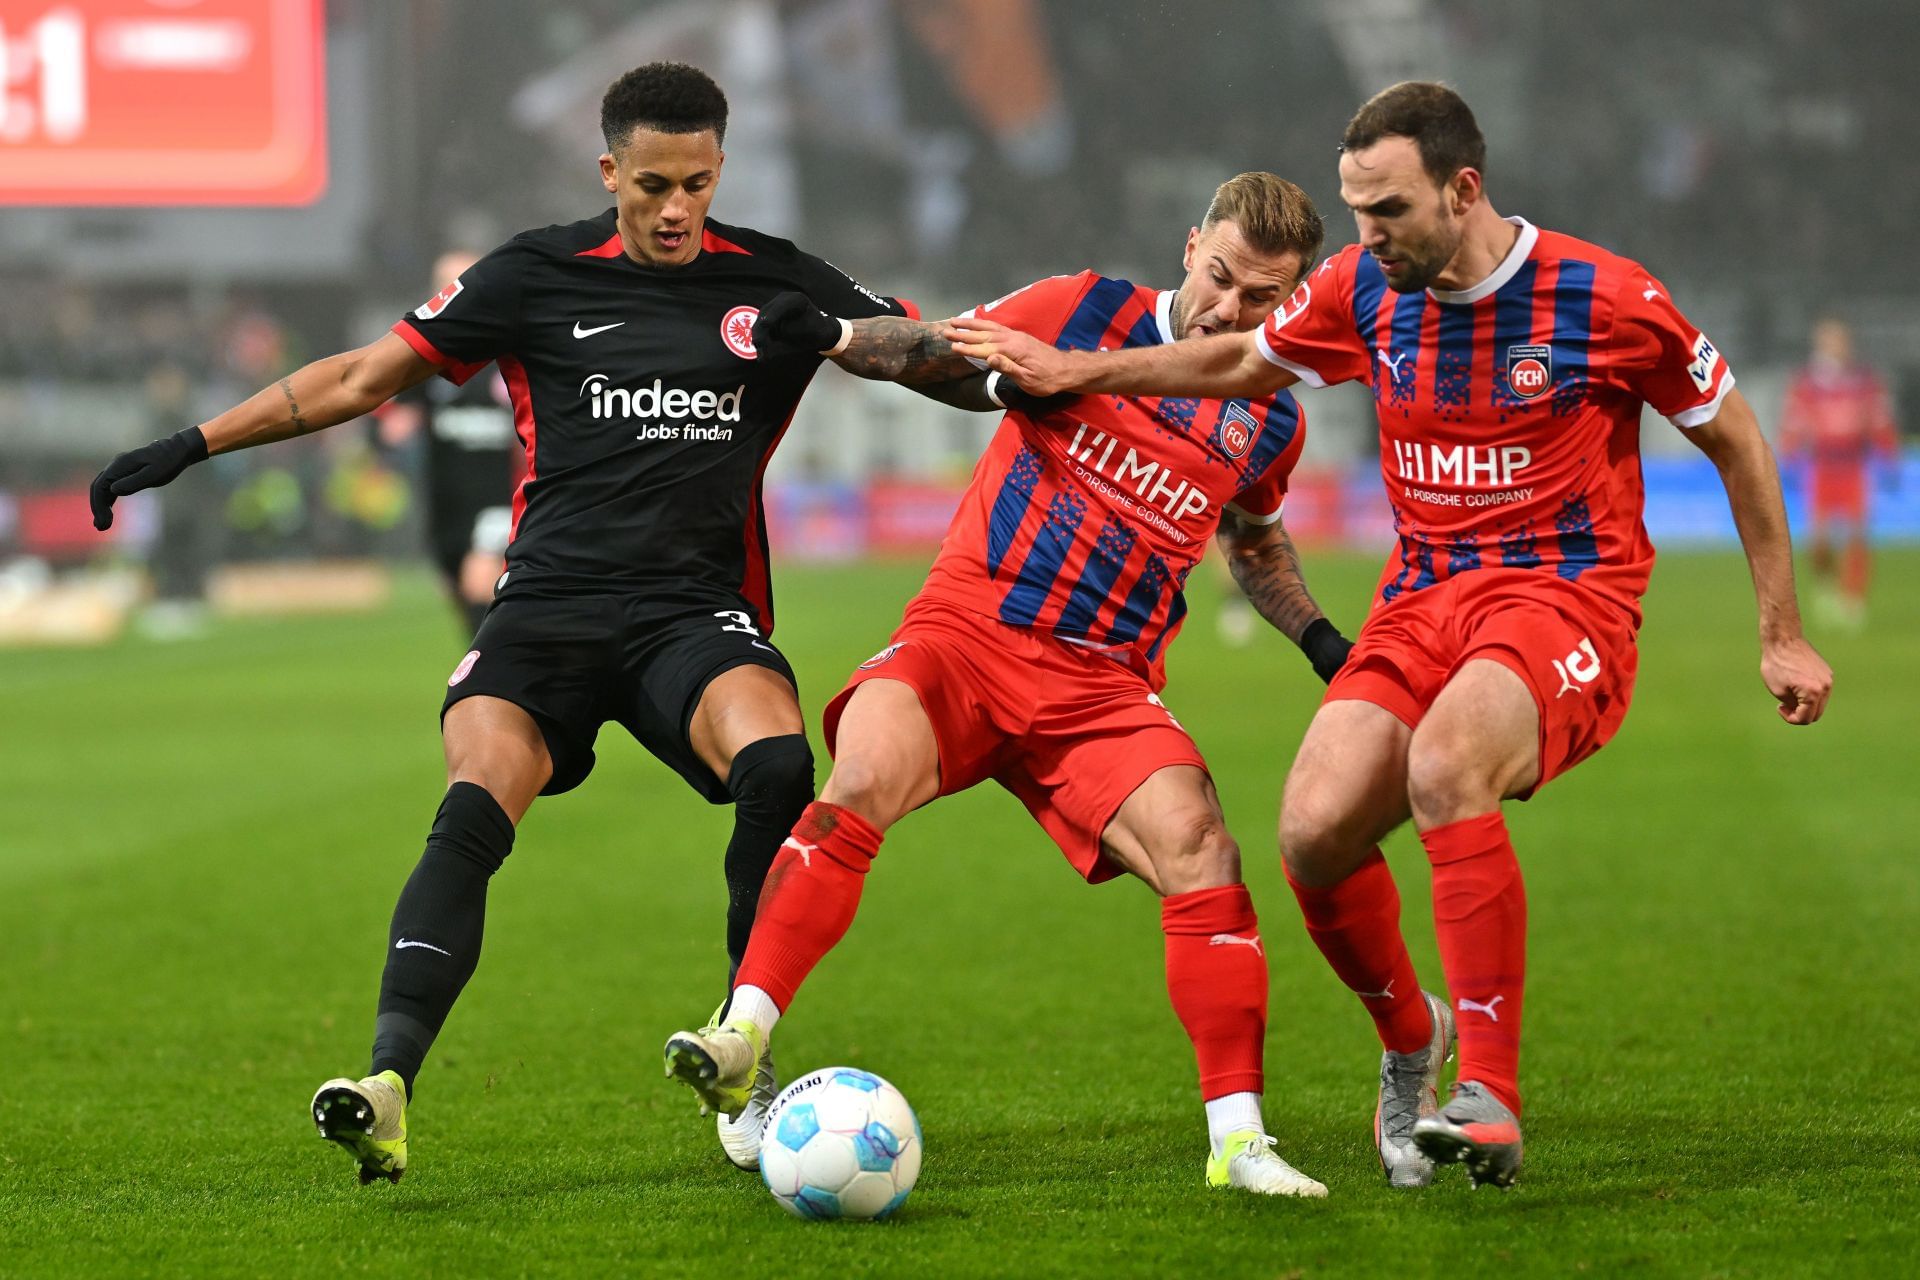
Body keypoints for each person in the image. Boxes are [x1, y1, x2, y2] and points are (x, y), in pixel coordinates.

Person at [87, 62, 967, 1184]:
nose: (675, 208)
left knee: (781, 763)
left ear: (721, 170)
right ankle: (389, 1081)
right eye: (651, 182)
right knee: (472, 802)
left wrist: (843, 338)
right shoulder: (534, 273)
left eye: (697, 182)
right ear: (609, 171)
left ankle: (743, 1053)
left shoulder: (774, 278)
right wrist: (192, 444)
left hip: (692, 612)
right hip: (545, 609)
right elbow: (364, 376)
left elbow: (938, 357)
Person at [945, 82, 1833, 1189]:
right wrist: (1080, 370)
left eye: (1389, 211)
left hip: (1563, 600)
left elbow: (1739, 440)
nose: (1365, 237)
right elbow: (1234, 361)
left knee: (1446, 762)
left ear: (1464, 191)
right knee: (1312, 830)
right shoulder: (1365, 287)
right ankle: (1412, 1041)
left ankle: (1492, 1093)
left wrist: (1781, 632)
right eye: (1356, 208)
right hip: (1423, 601)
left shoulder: (1606, 298)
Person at [663, 173, 1355, 1197]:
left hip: (1101, 687)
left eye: (1261, 299)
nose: (1229, 312)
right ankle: (739, 1040)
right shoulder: (1081, 310)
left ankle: (1239, 1141)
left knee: (1203, 847)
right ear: (1189, 245)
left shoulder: (1265, 413)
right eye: (1220, 279)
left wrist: (1321, 639)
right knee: (858, 778)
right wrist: (837, 338)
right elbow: (938, 348)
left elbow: (1252, 541)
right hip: (968, 636)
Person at [375, 250, 523, 638]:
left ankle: (493, 685)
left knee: (480, 585)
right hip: (446, 507)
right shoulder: (426, 365)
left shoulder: (511, 353)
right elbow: (394, 423)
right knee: (464, 601)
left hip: (501, 500)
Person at [1779, 317, 1900, 630]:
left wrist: (1888, 455)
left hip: (1853, 465)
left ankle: (1853, 599)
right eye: (1827, 340)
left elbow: (1879, 420)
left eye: (1838, 340)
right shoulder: (1807, 384)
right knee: (1818, 542)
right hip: (1821, 467)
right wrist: (1789, 454)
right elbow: (1795, 421)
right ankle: (1827, 585)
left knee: (1858, 536)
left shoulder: (1864, 382)